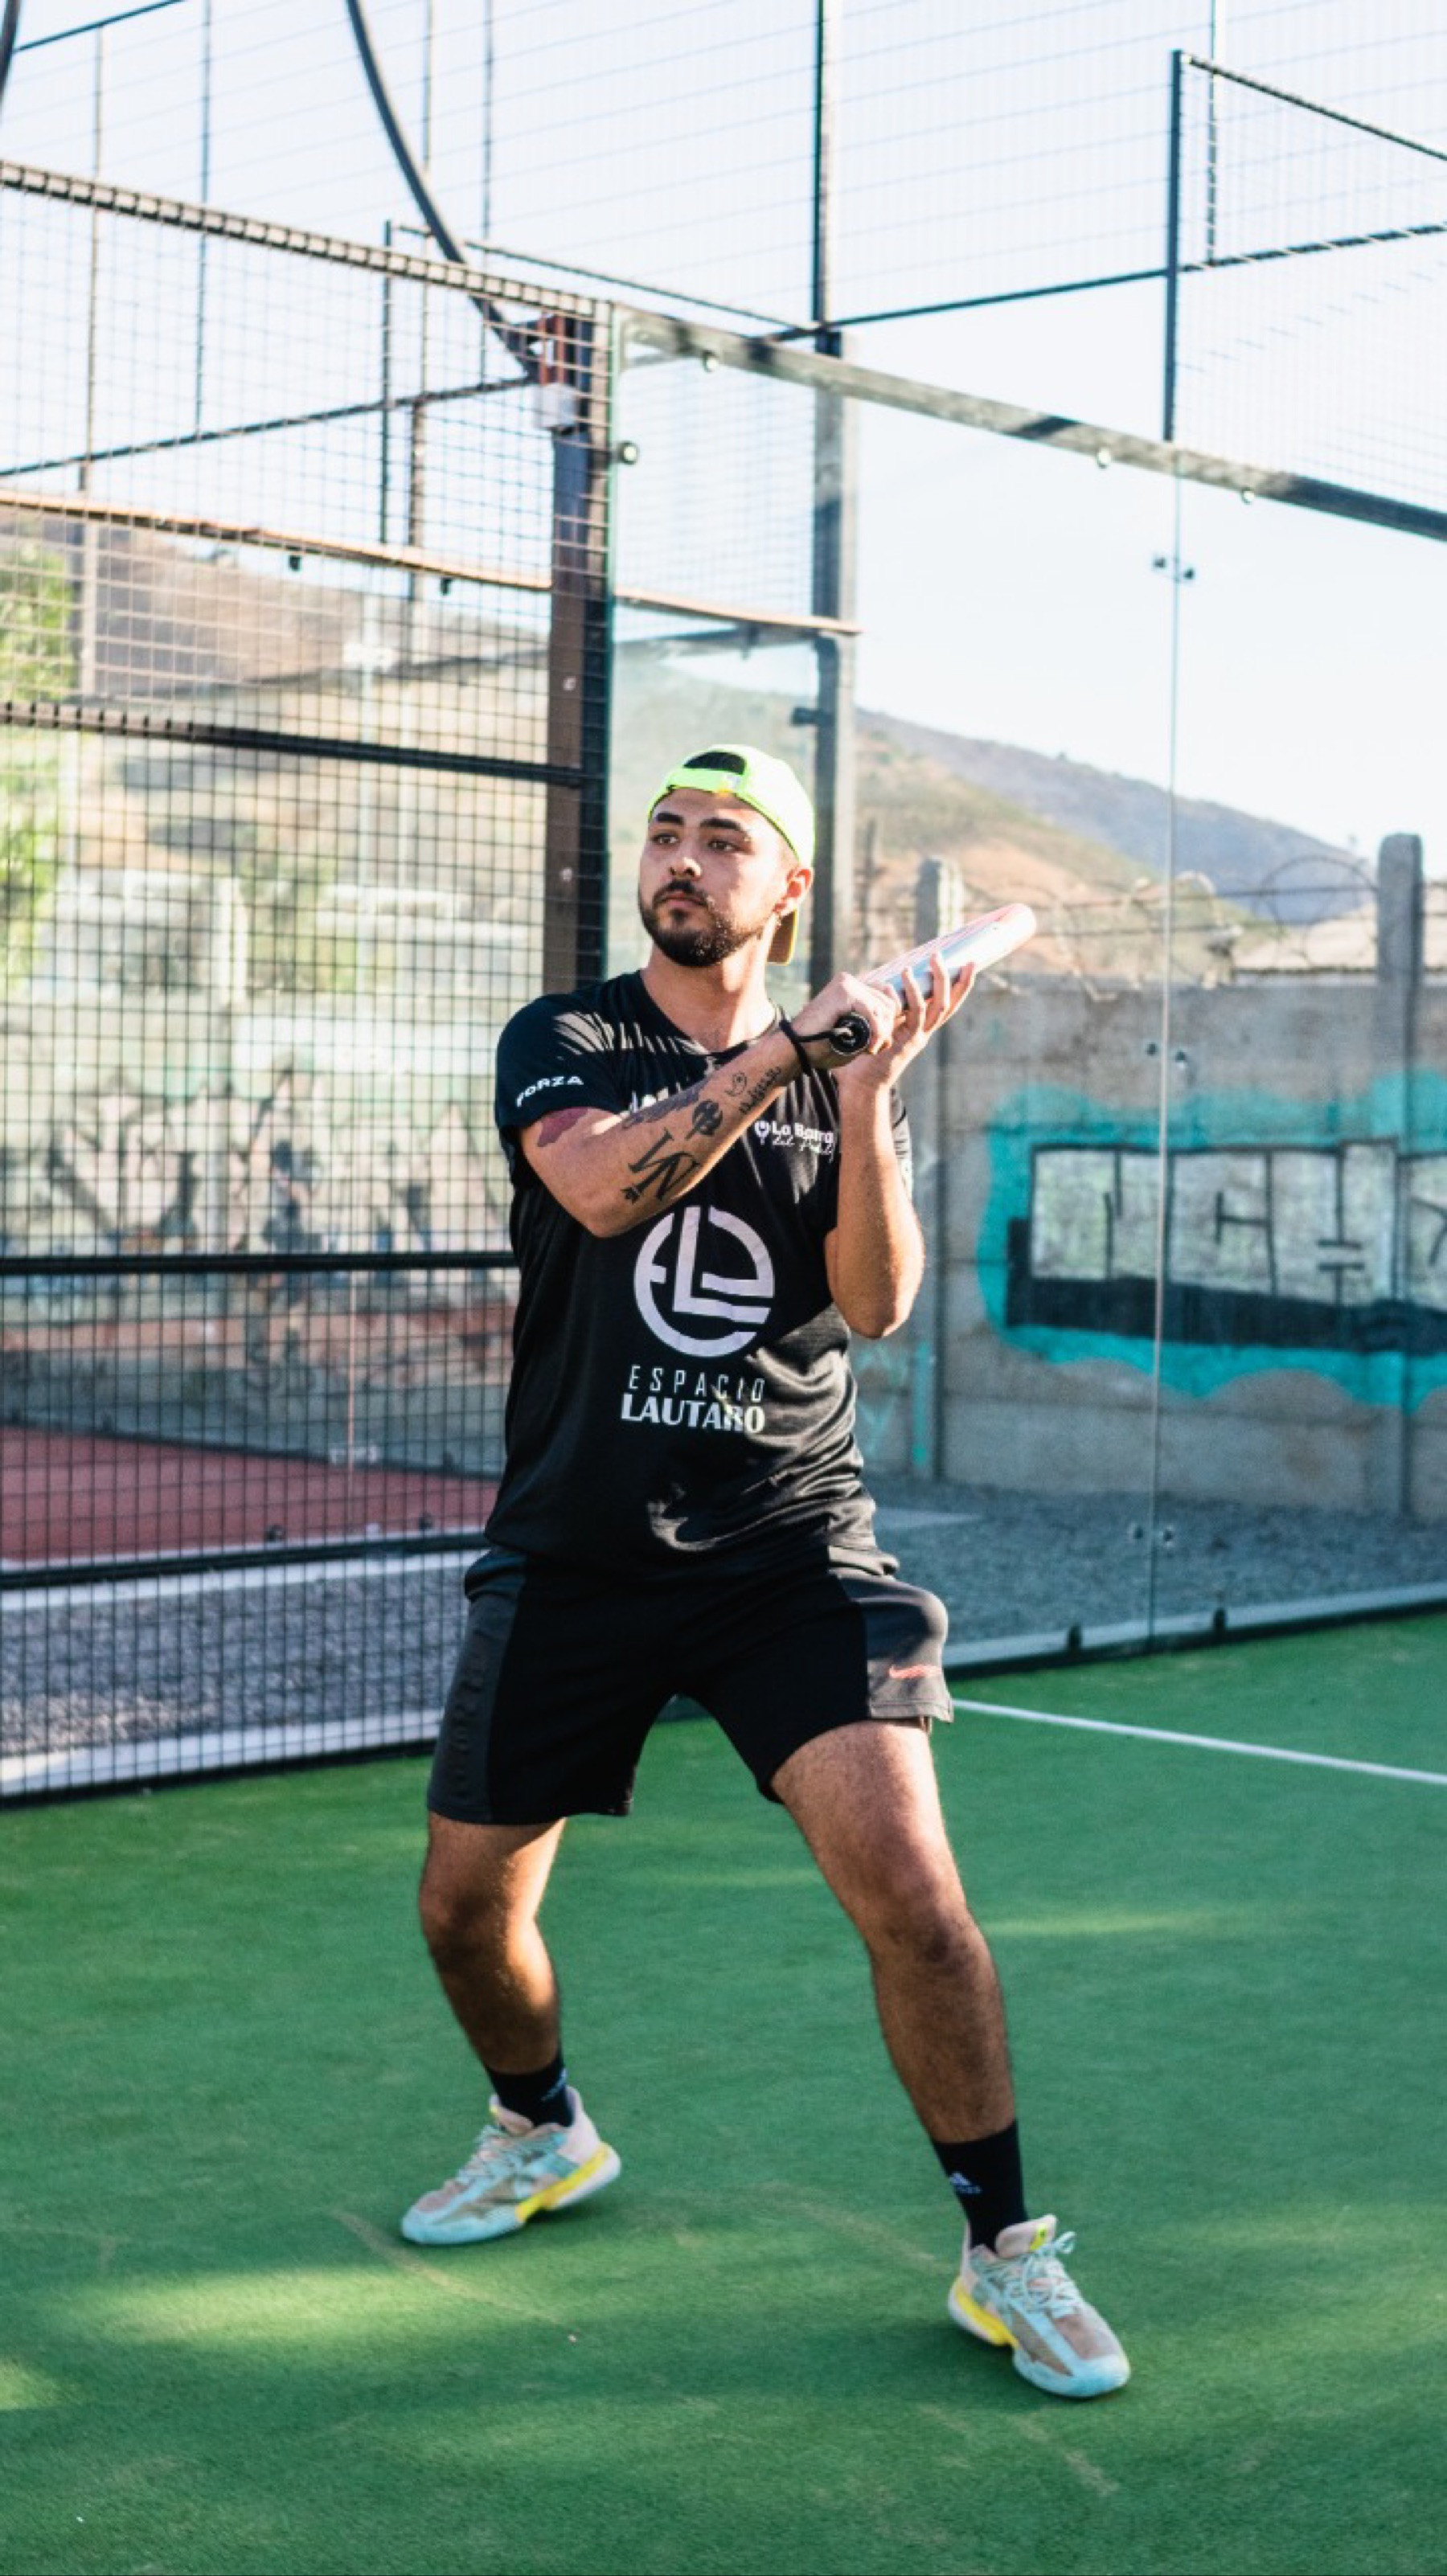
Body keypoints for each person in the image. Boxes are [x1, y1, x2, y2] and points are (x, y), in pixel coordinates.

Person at [402, 744, 1128, 2402]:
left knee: (921, 1906)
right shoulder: (567, 1039)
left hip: (790, 1548)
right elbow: (600, 1187)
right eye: (666, 830)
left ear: (786, 888)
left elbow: (874, 1302)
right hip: (578, 1550)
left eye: (724, 838)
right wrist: (795, 1048)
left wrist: (862, 1097)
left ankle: (1005, 2249)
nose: (681, 855)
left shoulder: (841, 1070)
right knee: (463, 1911)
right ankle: (541, 2125)